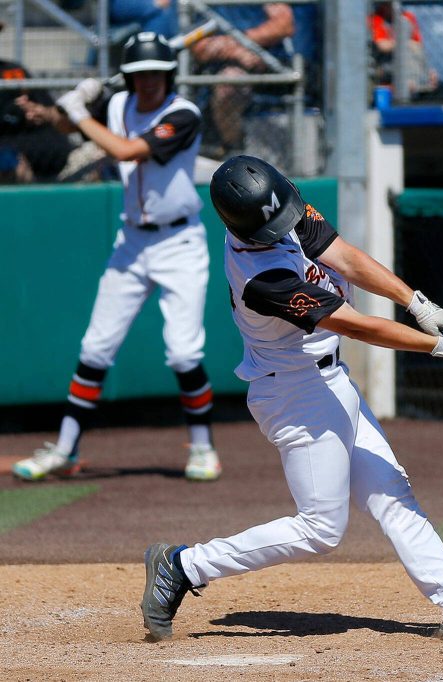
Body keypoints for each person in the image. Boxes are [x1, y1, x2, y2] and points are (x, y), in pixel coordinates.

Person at [139, 155, 443, 646]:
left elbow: (347, 257)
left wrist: (415, 302)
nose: (286, 226)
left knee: (391, 493)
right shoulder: (262, 279)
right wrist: (438, 345)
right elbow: (353, 325)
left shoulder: (281, 210)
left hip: (330, 382)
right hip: (294, 394)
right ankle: (183, 564)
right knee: (321, 528)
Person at [12, 32, 221, 482]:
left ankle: (203, 447)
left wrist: (76, 113)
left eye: (155, 74)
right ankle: (65, 448)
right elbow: (69, 128)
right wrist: (58, 111)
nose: (147, 83)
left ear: (169, 75)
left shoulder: (183, 114)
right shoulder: (118, 103)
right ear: (128, 77)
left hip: (179, 243)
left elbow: (127, 150)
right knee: (95, 348)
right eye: (139, 75)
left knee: (183, 353)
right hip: (131, 242)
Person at [189, 3, 297, 156]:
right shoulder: (203, 4)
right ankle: (235, 149)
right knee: (231, 80)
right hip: (221, 73)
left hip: (270, 69)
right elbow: (198, 47)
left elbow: (284, 24)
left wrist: (241, 43)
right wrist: (238, 52)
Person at [0, 21, 74, 183]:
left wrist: (36, 110)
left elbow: (48, 108)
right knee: (9, 161)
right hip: (7, 146)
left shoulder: (13, 70)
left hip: (38, 141)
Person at [369, 1, 438, 99]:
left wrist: (427, 69)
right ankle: (414, 83)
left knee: (415, 51)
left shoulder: (407, 17)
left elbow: (417, 45)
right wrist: (404, 43)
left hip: (406, 61)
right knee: (409, 49)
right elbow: (382, 46)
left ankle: (422, 80)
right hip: (385, 63)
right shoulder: (377, 18)